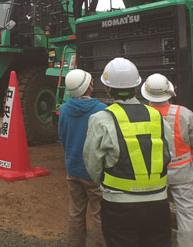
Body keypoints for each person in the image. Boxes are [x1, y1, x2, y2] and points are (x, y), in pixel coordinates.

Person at [83, 57, 173, 247]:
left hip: (119, 205)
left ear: (107, 88)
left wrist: (106, 183)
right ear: (137, 86)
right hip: (158, 203)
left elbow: (92, 163)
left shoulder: (100, 119)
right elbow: (168, 153)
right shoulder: (156, 116)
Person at [141, 74, 193, 247]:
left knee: (153, 211)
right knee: (186, 213)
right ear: (169, 91)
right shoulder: (184, 113)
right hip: (182, 171)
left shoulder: (143, 115)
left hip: (155, 173)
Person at [58, 69, 106, 247]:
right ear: (89, 86)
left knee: (76, 213)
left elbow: (62, 136)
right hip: (95, 173)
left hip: (73, 169)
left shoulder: (64, 110)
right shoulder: (102, 110)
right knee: (100, 214)